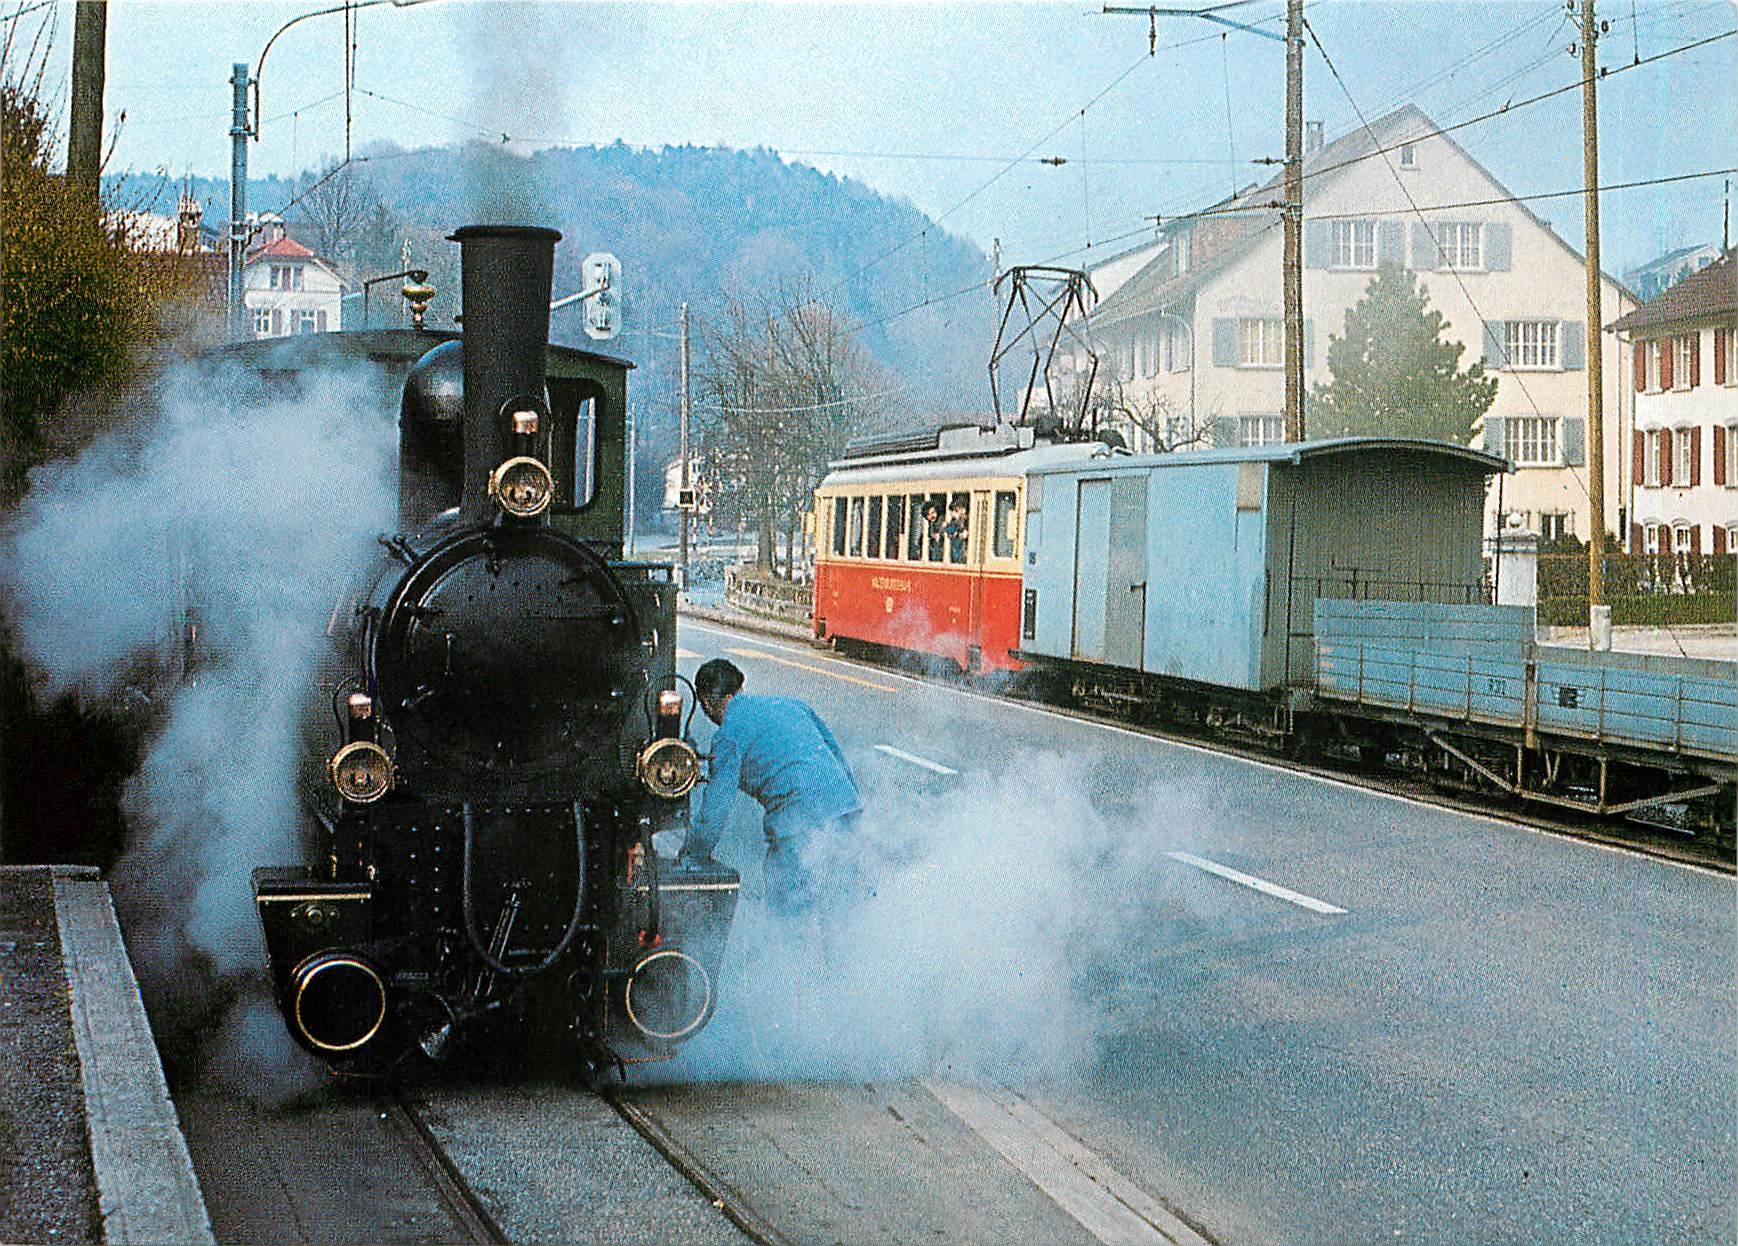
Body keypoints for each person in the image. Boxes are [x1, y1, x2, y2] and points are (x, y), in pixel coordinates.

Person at [680, 658, 864, 919]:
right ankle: (850, 959)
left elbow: (715, 810)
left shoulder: (727, 736)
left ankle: (787, 957)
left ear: (707, 703)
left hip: (800, 823)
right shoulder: (792, 705)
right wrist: (853, 808)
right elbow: (837, 757)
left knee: (786, 905)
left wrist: (692, 856)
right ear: (740, 687)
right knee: (843, 909)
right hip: (846, 808)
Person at [945, 499, 969, 563]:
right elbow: (949, 532)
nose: (951, 513)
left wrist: (958, 520)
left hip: (963, 555)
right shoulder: (953, 522)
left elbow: (965, 534)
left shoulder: (968, 521)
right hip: (954, 554)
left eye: (955, 510)